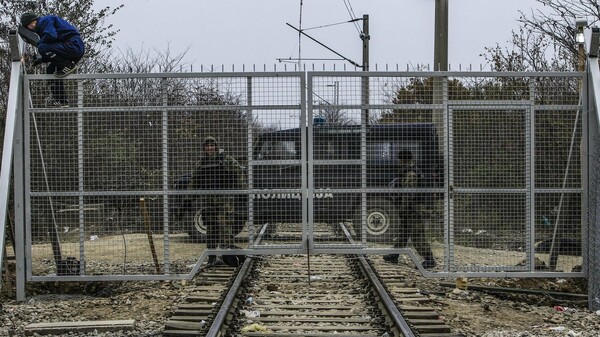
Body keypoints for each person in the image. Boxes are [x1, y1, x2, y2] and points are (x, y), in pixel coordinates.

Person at [189, 136, 246, 266]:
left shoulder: (227, 160)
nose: (210, 148)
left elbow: (239, 175)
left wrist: (243, 193)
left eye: (212, 145)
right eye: (207, 146)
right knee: (211, 228)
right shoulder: (201, 163)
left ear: (216, 146)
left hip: (225, 200)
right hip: (209, 201)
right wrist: (189, 198)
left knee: (225, 227)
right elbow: (194, 181)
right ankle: (212, 257)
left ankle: (228, 257)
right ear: (204, 148)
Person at [383, 149, 436, 269]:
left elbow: (408, 194)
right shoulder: (409, 171)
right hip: (411, 208)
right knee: (403, 232)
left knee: (417, 235)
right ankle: (394, 255)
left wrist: (403, 208)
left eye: (400, 160)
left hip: (413, 209)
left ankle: (429, 259)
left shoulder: (411, 173)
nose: (398, 162)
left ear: (403, 160)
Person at [20, 12, 85, 107]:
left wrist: (39, 44)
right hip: (70, 48)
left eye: (31, 24)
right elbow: (53, 48)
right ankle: (62, 100)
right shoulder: (43, 26)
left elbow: (52, 36)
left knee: (42, 47)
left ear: (35, 20)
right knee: (50, 70)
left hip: (73, 45)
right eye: (28, 26)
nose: (31, 27)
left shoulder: (44, 21)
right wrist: (42, 59)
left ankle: (68, 65)